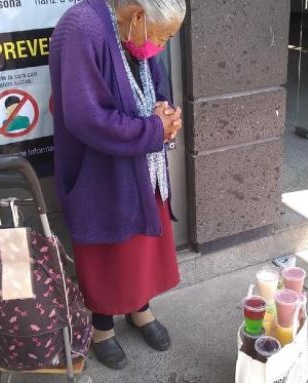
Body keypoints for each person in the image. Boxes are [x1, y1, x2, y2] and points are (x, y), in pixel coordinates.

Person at [49, 0, 186, 370]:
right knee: (109, 250)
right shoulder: (81, 27)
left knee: (142, 246)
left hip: (143, 164)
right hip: (100, 171)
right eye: (164, 35)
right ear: (139, 16)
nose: (162, 44)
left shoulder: (132, 31)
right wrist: (154, 129)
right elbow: (85, 116)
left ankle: (140, 309)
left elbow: (155, 84)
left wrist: (167, 114)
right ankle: (102, 327)